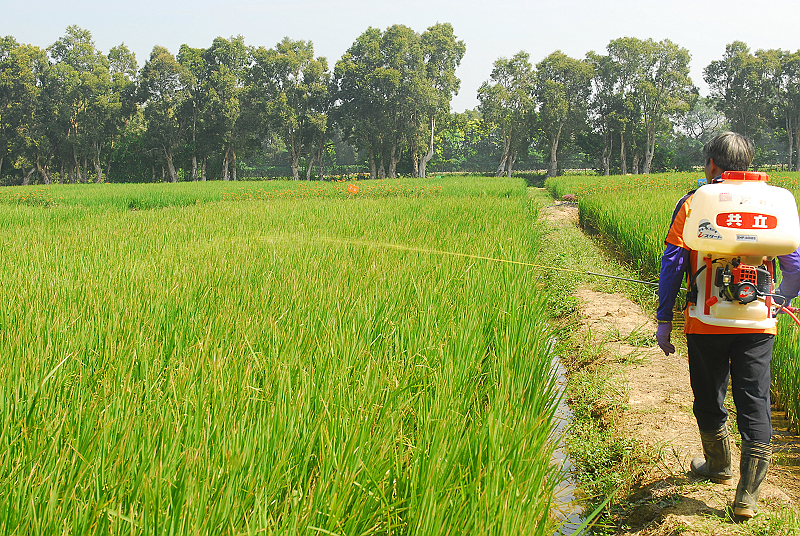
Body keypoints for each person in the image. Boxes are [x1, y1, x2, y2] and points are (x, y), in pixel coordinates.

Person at [655, 131, 800, 519]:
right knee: (755, 402)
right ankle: (747, 498)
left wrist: (664, 319)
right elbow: (795, 264)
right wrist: (780, 297)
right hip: (758, 321)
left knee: (708, 395)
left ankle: (718, 466)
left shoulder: (694, 202)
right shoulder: (776, 202)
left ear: (712, 165)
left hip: (706, 320)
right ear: (748, 164)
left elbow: (671, 264)